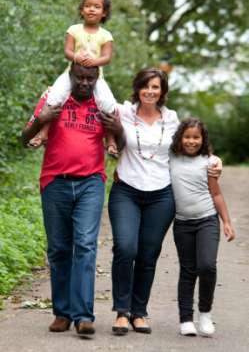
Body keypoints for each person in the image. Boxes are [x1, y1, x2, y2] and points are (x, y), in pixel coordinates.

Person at [100, 68, 222, 336]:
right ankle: (122, 311)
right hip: (127, 191)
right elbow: (99, 94)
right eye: (145, 86)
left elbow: (191, 144)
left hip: (161, 195)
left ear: (163, 91)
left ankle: (139, 312)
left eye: (156, 87)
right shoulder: (124, 112)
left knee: (148, 254)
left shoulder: (172, 118)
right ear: (137, 88)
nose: (150, 91)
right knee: (125, 247)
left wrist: (214, 160)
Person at [21, 63, 124, 335]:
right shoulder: (54, 98)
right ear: (70, 76)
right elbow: (24, 138)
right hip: (55, 181)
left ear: (97, 79)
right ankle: (62, 313)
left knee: (85, 245)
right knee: (58, 248)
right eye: (79, 77)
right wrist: (42, 118)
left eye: (90, 78)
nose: (84, 83)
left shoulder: (103, 103)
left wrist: (119, 131)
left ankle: (83, 315)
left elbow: (120, 145)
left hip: (91, 182)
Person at [30, 0, 117, 155]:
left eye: (97, 6)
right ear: (81, 10)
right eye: (88, 5)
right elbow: (67, 51)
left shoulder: (105, 35)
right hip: (71, 74)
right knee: (55, 97)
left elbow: (107, 57)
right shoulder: (74, 30)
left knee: (108, 103)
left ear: (104, 13)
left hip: (95, 78)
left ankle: (111, 140)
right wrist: (76, 57)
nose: (92, 9)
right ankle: (43, 132)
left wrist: (95, 61)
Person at [170, 117, 235, 337]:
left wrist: (226, 221)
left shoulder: (209, 162)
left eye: (196, 137)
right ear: (180, 138)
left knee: (207, 266)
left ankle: (205, 313)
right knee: (188, 270)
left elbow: (216, 193)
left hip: (207, 219)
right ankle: (185, 319)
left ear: (203, 139)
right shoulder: (171, 158)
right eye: (187, 137)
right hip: (182, 223)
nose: (191, 141)